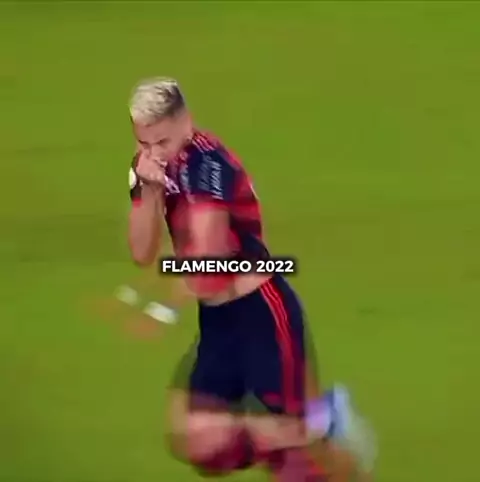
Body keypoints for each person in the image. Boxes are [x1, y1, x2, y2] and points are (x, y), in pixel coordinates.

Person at [126, 77, 373, 481]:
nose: (154, 153)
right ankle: (316, 422)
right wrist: (149, 191)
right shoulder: (147, 166)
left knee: (300, 466)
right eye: (144, 143)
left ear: (185, 122)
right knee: (201, 443)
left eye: (162, 142)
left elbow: (209, 257)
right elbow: (141, 251)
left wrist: (161, 309)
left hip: (262, 315)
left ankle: (317, 429)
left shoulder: (208, 165)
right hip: (219, 322)